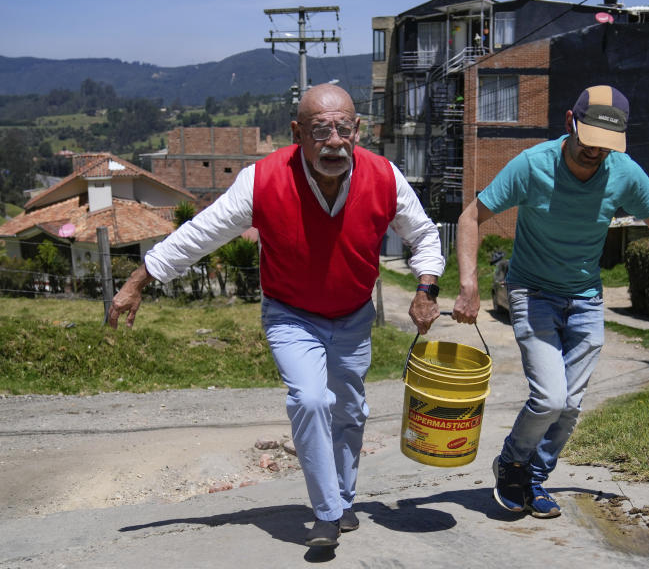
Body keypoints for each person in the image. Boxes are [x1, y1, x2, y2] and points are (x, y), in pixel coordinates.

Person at [108, 84, 444, 547]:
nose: (333, 141)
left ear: (357, 131)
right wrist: (138, 279)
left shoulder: (385, 177)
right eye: (320, 129)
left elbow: (424, 236)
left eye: (343, 128)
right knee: (310, 400)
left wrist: (426, 286)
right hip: (291, 314)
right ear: (297, 133)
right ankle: (326, 513)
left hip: (352, 314)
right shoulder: (262, 179)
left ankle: (344, 500)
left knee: (349, 411)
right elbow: (201, 233)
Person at [452, 85, 649, 519]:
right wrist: (469, 283)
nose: (595, 153)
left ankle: (536, 478)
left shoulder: (624, 172)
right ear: (570, 123)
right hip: (532, 293)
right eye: (589, 141)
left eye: (606, 146)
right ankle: (511, 463)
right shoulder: (532, 165)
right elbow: (471, 216)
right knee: (550, 398)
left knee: (571, 405)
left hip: (585, 300)